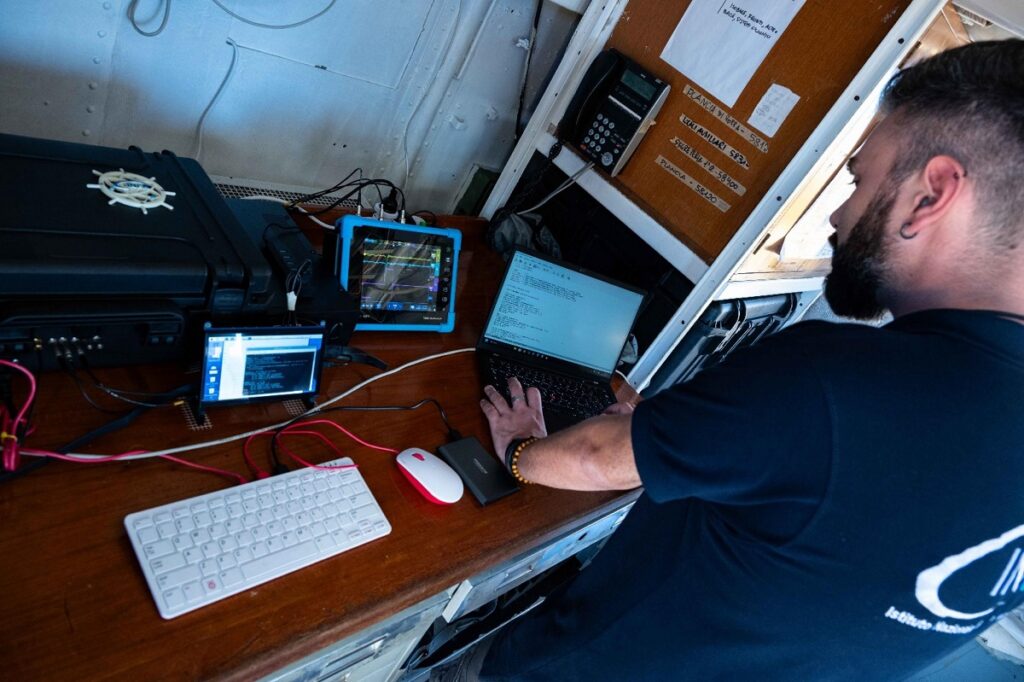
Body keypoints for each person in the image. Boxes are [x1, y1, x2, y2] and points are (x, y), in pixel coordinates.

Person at [459, 39, 1024, 681]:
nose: (840, 214)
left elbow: (595, 458)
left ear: (932, 195)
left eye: (860, 179)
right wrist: (694, 436)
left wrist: (517, 452)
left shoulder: (833, 379)